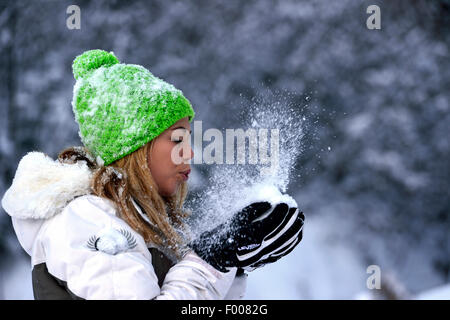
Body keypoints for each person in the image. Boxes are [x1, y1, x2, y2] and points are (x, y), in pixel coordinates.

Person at [1, 49, 304, 300]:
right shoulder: (93, 223)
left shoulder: (145, 225)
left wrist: (231, 266)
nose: (189, 153)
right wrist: (209, 261)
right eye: (176, 139)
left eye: (189, 138)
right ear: (134, 149)